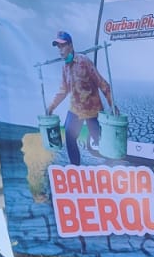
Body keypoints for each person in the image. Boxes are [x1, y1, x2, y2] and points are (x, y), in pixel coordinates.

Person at [44, 30, 114, 165]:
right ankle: (75, 168)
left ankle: (113, 167)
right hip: (75, 110)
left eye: (63, 46)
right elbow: (63, 90)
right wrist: (51, 107)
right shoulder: (64, 67)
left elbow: (102, 83)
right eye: (58, 47)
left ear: (70, 45)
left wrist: (112, 104)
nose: (60, 50)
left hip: (92, 110)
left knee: (99, 140)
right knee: (70, 137)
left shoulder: (84, 61)